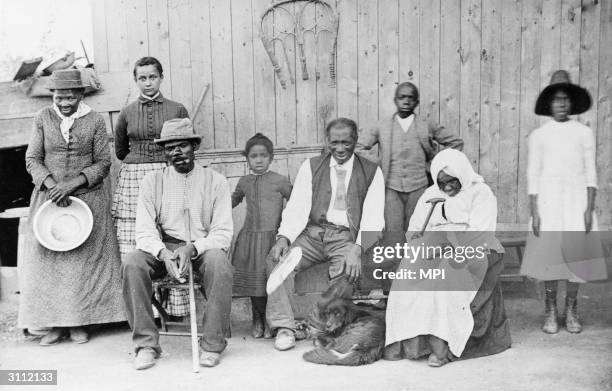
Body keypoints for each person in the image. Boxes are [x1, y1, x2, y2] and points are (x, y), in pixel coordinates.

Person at [19, 69, 124, 345]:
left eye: (69, 97)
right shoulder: (43, 118)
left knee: (81, 264)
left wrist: (72, 185)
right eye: (58, 97)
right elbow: (33, 158)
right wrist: (53, 184)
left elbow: (103, 162)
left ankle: (80, 323)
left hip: (87, 199)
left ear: (80, 94)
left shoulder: (95, 121)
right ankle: (55, 325)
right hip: (49, 199)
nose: (63, 103)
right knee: (50, 263)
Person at [121, 118, 233, 370]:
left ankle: (213, 344)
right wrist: (162, 252)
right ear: (165, 151)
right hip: (165, 248)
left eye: (183, 145)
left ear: (194, 147)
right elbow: (144, 231)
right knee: (132, 263)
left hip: (202, 248)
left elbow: (223, 233)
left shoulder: (216, 181)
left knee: (220, 263)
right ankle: (146, 344)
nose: (177, 152)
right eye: (171, 147)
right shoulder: (152, 181)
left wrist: (193, 247)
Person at [266, 117, 385, 351]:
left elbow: (374, 218)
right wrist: (284, 237)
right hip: (313, 234)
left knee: (346, 275)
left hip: (346, 238)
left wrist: (357, 249)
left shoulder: (371, 172)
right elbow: (297, 207)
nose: (340, 149)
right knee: (276, 260)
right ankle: (284, 327)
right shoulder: (311, 166)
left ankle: (316, 326)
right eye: (335, 142)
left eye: (346, 143)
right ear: (327, 141)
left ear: (356, 141)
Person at [384, 149, 511, 367]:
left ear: (462, 174)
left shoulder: (480, 192)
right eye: (442, 183)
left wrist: (449, 244)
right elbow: (415, 228)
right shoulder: (430, 194)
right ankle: (405, 342)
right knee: (407, 273)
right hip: (435, 246)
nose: (448, 187)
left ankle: (441, 348)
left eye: (452, 181)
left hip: (472, 248)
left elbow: (480, 233)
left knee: (447, 277)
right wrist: (418, 241)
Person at [521, 70, 607, 334]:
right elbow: (533, 174)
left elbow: (590, 172)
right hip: (548, 202)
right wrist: (535, 211)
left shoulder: (583, 133)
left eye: (565, 99)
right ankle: (550, 310)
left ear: (572, 103)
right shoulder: (539, 135)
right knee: (551, 256)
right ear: (549, 104)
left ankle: (571, 309)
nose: (561, 104)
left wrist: (589, 207)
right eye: (556, 99)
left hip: (576, 200)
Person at [111, 56, 190, 317]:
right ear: (136, 81)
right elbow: (121, 150)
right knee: (139, 237)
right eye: (142, 78)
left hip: (169, 174)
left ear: (161, 77)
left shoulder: (177, 109)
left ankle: (175, 308)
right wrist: (141, 164)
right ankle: (149, 312)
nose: (147, 83)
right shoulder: (127, 112)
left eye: (152, 77)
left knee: (169, 232)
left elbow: (185, 146)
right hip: (134, 177)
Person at [357, 82, 464, 233]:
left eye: (411, 98)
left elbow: (456, 142)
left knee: (417, 227)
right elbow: (358, 146)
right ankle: (395, 256)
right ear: (395, 100)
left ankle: (415, 256)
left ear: (417, 102)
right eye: (402, 97)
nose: (406, 101)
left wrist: (436, 165)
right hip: (391, 186)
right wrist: (379, 163)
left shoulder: (426, 124)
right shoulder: (382, 125)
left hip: (419, 185)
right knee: (392, 229)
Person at [231, 133, 292, 338]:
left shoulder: (280, 181)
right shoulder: (244, 181)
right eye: (253, 156)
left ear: (271, 157)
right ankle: (257, 319)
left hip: (271, 239)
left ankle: (270, 320)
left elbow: (296, 204)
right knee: (253, 282)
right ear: (246, 158)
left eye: (263, 156)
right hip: (249, 239)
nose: (258, 160)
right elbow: (231, 201)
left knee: (270, 281)